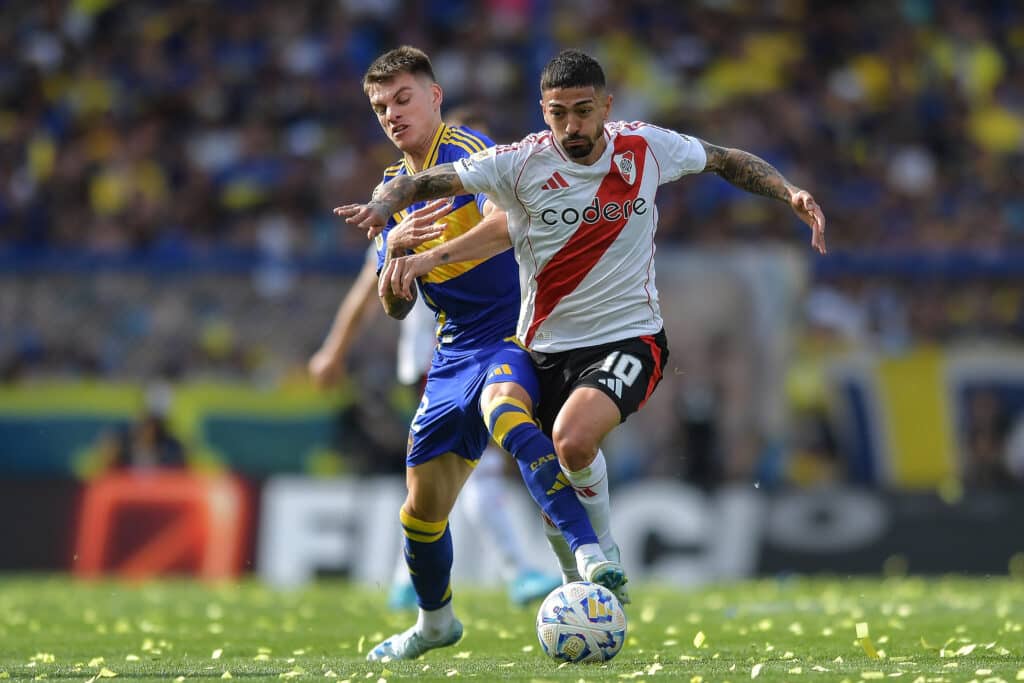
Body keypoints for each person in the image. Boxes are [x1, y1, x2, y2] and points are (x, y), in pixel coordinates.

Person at [337, 48, 828, 606]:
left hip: (630, 337)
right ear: (542, 111)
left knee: (568, 439)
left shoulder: (644, 146)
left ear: (606, 107)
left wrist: (788, 191)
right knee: (542, 475)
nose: (571, 125)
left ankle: (600, 547)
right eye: (557, 113)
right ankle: (567, 585)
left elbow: (723, 159)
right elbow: (423, 185)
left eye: (582, 111)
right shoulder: (520, 163)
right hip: (544, 346)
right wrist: (384, 213)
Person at [340, 46, 624, 663]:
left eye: (404, 99)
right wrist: (396, 260)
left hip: (517, 328)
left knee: (505, 411)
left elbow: (506, 226)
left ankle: (588, 552)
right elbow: (394, 306)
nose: (392, 114)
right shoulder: (391, 190)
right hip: (452, 349)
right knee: (420, 511)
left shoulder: (467, 153)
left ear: (434, 97)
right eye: (381, 107)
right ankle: (435, 621)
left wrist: (430, 255)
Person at [309, 240, 561, 609]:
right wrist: (334, 351)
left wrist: (334, 351)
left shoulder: (462, 199)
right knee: (480, 466)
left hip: (453, 355)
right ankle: (518, 570)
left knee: (441, 471)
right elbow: (368, 288)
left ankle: (405, 580)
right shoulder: (413, 215)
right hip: (446, 357)